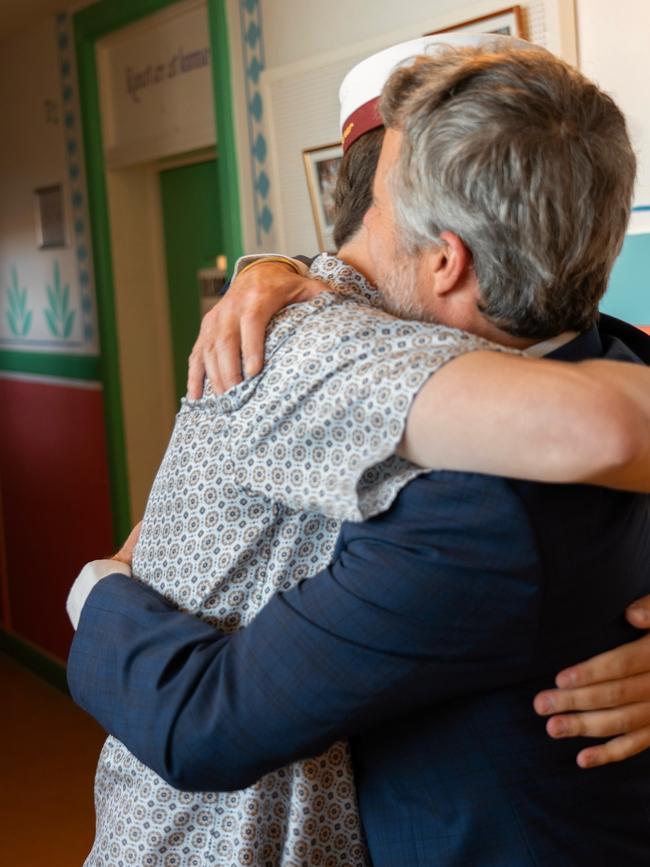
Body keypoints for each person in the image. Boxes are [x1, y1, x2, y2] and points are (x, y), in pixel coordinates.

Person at [67, 39, 650, 866]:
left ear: (448, 260)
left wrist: (95, 589)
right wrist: (270, 271)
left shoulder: (473, 504)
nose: (336, 263)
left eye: (378, 213)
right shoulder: (621, 350)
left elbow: (208, 725)